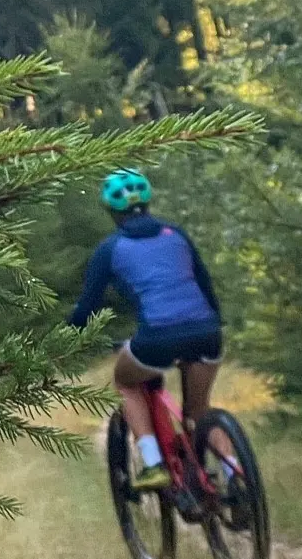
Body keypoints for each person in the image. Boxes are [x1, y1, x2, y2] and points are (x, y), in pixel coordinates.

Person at [66, 168, 226, 491]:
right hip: (207, 332)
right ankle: (235, 474)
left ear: (112, 211)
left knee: (126, 383)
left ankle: (153, 463)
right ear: (148, 202)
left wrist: (70, 336)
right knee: (199, 412)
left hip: (157, 338)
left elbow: (87, 306)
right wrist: (215, 321)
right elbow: (205, 284)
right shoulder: (176, 235)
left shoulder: (110, 249)